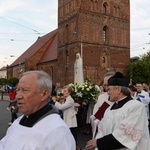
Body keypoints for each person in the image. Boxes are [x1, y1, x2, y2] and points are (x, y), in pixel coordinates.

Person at [0, 71, 76, 150]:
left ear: (44, 94)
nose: (18, 96)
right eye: (18, 90)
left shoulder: (58, 131)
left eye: (25, 90)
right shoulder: (18, 122)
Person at [86, 72, 150, 150]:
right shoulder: (108, 109)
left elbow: (125, 134)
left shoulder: (136, 107)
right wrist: (97, 145)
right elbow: (101, 131)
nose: (107, 92)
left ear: (118, 89)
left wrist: (99, 143)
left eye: (109, 89)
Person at [90, 72, 115, 138]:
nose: (106, 88)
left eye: (108, 85)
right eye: (105, 85)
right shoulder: (101, 97)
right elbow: (95, 117)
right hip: (102, 133)